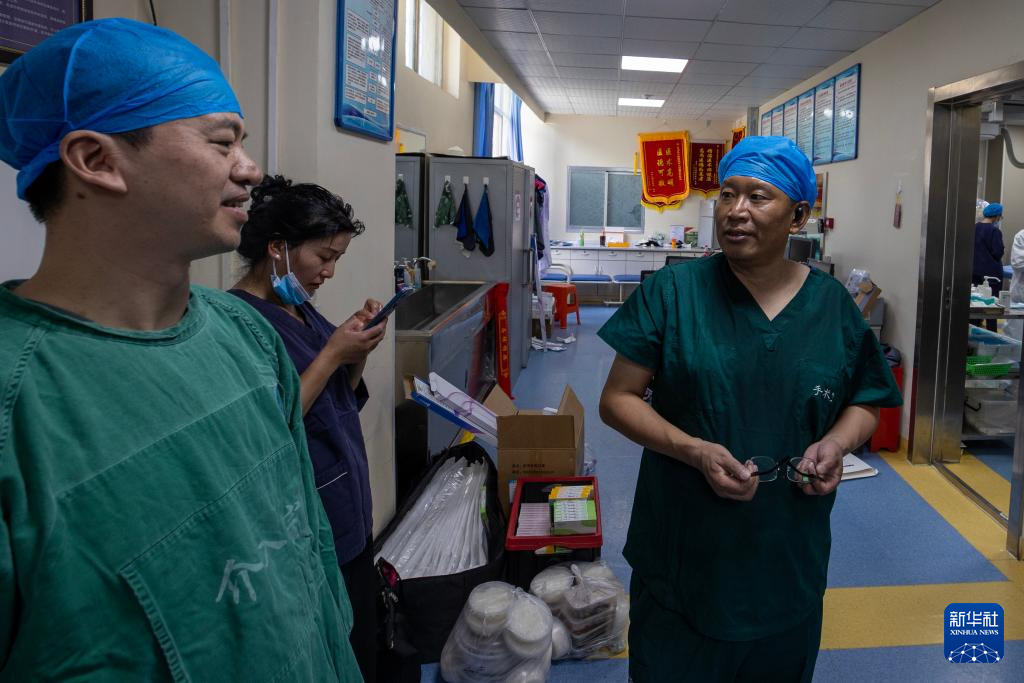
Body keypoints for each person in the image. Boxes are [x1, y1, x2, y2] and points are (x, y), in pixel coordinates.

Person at [0, 19, 361, 681]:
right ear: (97, 159)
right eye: (223, 142)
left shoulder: (247, 338)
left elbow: (310, 559)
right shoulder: (19, 406)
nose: (250, 169)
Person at [597, 136, 902, 682]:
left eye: (758, 197)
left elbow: (864, 402)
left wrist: (836, 444)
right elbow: (616, 400)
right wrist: (693, 450)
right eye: (727, 194)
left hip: (786, 554)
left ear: (798, 215)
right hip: (684, 551)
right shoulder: (673, 292)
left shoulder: (832, 306)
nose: (736, 211)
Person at [230, 175, 387, 681]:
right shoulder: (240, 321)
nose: (330, 271)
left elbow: (339, 396)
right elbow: (270, 425)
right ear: (277, 248)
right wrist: (333, 354)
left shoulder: (298, 309)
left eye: (337, 258)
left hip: (349, 506)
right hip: (308, 520)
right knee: (331, 648)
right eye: (323, 256)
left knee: (364, 640)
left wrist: (356, 352)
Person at [973, 202, 1005, 331]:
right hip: (992, 275)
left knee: (974, 306)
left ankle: (973, 334)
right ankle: (992, 335)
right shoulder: (994, 231)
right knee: (992, 309)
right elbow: (998, 252)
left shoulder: (974, 228)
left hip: (974, 272)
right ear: (997, 216)